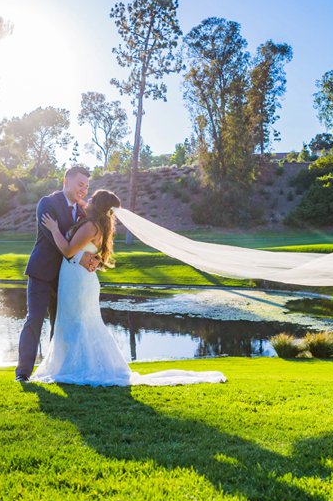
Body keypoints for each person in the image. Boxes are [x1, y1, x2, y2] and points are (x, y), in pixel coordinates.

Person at [28, 189, 226, 387]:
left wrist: (54, 229)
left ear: (98, 205)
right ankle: (73, 365)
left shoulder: (90, 226)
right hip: (77, 279)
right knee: (78, 322)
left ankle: (77, 367)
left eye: (93, 198)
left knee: (77, 323)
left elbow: (68, 250)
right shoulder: (99, 226)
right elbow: (81, 252)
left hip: (77, 281)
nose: (88, 199)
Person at [15, 166, 101, 382]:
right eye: (80, 184)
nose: (83, 190)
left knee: (60, 324)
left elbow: (86, 239)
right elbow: (54, 238)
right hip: (41, 273)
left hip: (66, 278)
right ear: (66, 181)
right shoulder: (47, 203)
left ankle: (57, 371)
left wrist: (94, 259)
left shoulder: (84, 211)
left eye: (87, 187)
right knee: (34, 319)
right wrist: (79, 257)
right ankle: (23, 373)